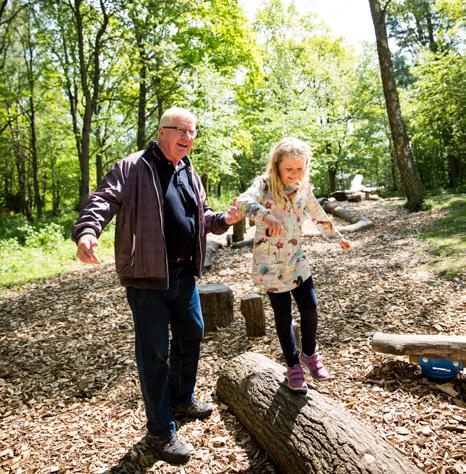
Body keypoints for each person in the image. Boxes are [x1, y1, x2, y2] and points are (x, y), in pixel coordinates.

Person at [72, 107, 242, 465]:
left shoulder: (188, 170)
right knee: (154, 355)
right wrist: (88, 232)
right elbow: (102, 200)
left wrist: (224, 219)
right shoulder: (132, 167)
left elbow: (202, 216)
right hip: (147, 279)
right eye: (180, 130)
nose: (188, 137)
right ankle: (160, 430)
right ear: (162, 131)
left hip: (184, 275)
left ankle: (181, 399)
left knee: (192, 334)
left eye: (193, 132)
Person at [237, 137, 351, 393]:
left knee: (310, 307)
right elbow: (243, 202)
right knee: (283, 315)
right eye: (289, 169)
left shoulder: (302, 187)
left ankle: (308, 354)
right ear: (277, 165)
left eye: (299, 169)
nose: (294, 174)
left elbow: (318, 216)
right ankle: (292, 366)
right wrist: (264, 214)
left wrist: (338, 238)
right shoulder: (264, 185)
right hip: (270, 264)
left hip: (296, 260)